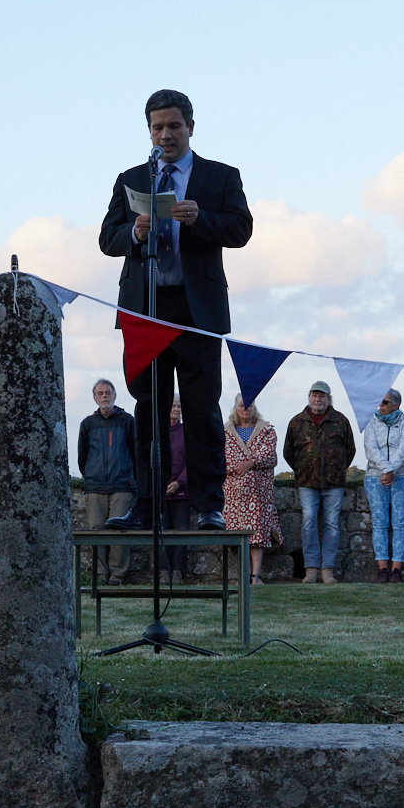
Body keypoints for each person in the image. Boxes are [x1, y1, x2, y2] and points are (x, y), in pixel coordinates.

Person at [99, 89, 253, 533]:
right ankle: (147, 505)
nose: (165, 135)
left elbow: (241, 229)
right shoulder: (131, 178)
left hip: (197, 309)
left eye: (173, 126)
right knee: (148, 407)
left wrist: (200, 219)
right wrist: (134, 231)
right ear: (149, 131)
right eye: (156, 127)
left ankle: (210, 507)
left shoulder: (220, 176)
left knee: (203, 409)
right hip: (145, 307)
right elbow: (107, 239)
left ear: (190, 126)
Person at [284, 381, 355, 583]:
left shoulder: (340, 420)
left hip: (334, 483)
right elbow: (288, 452)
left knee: (332, 524)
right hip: (307, 482)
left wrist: (336, 467)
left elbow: (350, 450)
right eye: (315, 395)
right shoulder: (297, 422)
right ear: (309, 397)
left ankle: (328, 569)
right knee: (308, 523)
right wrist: (302, 468)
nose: (318, 399)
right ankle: (311, 568)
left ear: (328, 398)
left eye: (322, 396)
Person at [77, 379, 136, 583]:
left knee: (120, 533)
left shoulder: (128, 421)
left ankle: (118, 574)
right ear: (95, 398)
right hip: (95, 489)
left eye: (108, 392)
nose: (104, 396)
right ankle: (100, 573)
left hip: (122, 487)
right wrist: (93, 476)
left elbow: (136, 454)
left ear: (115, 395)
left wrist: (131, 479)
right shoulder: (87, 424)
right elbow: (82, 458)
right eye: (100, 393)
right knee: (97, 531)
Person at [223, 394, 281, 581]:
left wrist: (252, 462)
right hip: (234, 494)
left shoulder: (267, 431)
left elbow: (270, 455)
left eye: (249, 405)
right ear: (236, 408)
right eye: (242, 405)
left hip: (259, 492)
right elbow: (221, 456)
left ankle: (256, 574)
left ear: (254, 408)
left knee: (257, 533)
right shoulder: (225, 431)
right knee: (239, 534)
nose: (245, 409)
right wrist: (243, 465)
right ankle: (243, 574)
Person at [363, 388, 404, 583]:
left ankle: (396, 569)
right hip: (376, 476)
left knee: (400, 523)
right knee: (379, 522)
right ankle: (382, 569)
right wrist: (386, 469)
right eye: (380, 402)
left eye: (385, 402)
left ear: (396, 404)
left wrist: (391, 469)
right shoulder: (372, 421)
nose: (381, 406)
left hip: (402, 475)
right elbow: (370, 448)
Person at [160, 401, 191, 574]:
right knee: (162, 532)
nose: (177, 409)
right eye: (173, 406)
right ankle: (163, 571)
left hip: (182, 492)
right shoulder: (157, 430)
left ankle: (178, 571)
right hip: (161, 492)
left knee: (181, 533)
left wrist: (179, 482)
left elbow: (192, 460)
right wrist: (162, 482)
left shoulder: (186, 431)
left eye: (179, 406)